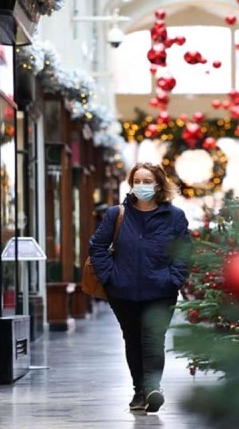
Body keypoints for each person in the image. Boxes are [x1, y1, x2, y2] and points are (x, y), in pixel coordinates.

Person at [88, 162, 191, 413]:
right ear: (131, 184)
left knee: (153, 339)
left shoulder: (174, 216)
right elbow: (97, 246)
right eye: (137, 181)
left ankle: (153, 388)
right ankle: (139, 391)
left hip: (161, 290)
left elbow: (184, 252)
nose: (141, 186)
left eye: (147, 181)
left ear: (158, 184)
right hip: (123, 291)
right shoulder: (117, 214)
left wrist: (173, 279)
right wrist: (110, 277)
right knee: (133, 340)